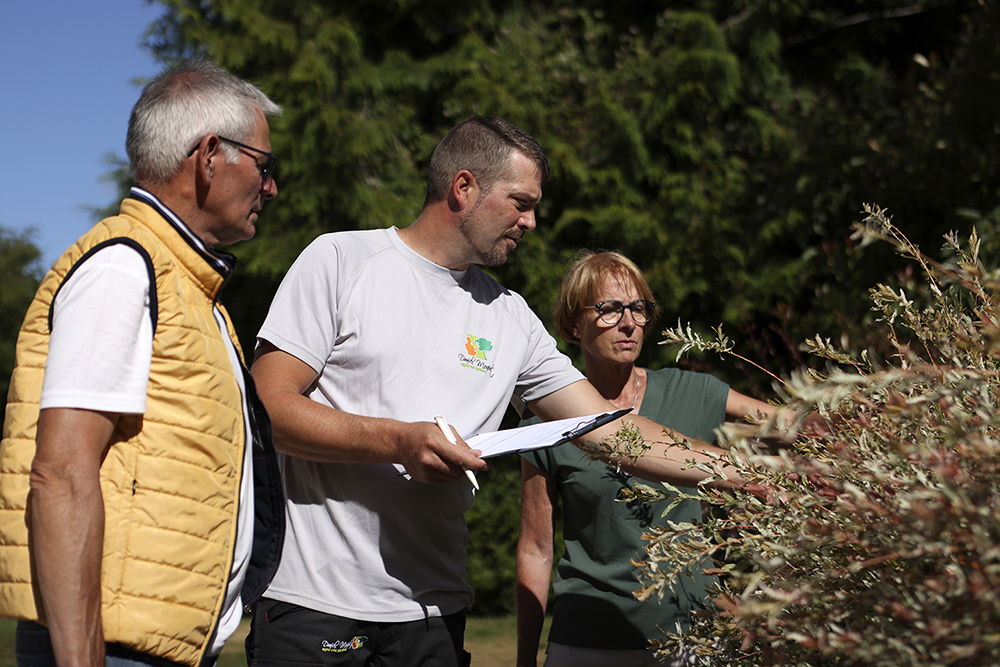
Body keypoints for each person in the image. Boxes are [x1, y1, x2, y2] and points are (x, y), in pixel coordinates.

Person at [247, 116, 746, 667]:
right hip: (315, 605)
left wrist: (751, 473)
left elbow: (612, 429)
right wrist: (398, 441)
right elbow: (268, 411)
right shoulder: (341, 262)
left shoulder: (510, 317)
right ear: (464, 188)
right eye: (521, 202)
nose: (531, 222)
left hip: (433, 614)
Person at [0, 59, 286, 667]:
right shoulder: (123, 269)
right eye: (264, 165)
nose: (271, 187)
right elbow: (62, 472)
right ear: (210, 155)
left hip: (148, 644)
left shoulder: (187, 289)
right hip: (108, 649)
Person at [515, 250, 785, 667]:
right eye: (609, 309)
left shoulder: (695, 393)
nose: (628, 323)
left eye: (638, 309)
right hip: (588, 642)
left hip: (691, 637)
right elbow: (536, 549)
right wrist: (523, 659)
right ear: (573, 324)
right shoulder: (545, 421)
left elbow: (788, 426)